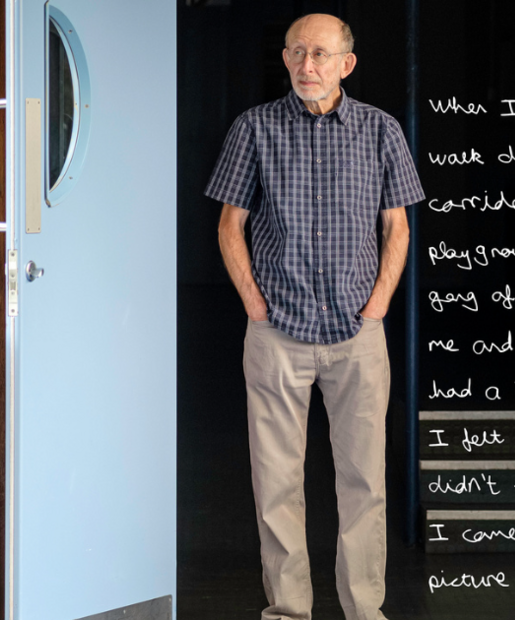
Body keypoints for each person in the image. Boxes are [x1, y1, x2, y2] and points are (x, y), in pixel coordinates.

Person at [204, 13, 424, 620]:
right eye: (298, 53)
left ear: (346, 64)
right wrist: (254, 304)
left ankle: (364, 610)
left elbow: (396, 227)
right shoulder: (254, 128)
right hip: (277, 333)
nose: (308, 65)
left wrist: (379, 303)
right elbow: (230, 225)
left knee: (364, 484)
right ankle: (290, 610)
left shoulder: (381, 131)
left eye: (321, 54)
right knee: (276, 485)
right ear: (284, 58)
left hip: (358, 334)